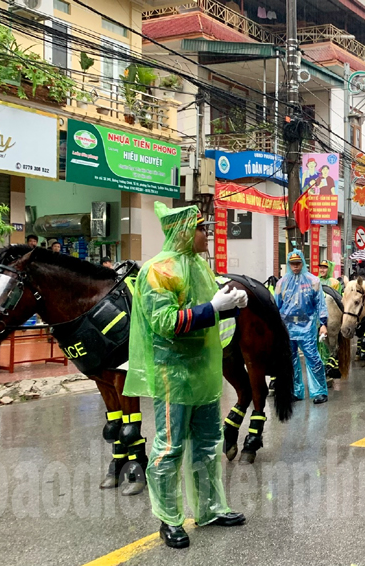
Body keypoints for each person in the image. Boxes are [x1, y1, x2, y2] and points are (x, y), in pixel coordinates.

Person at [124, 203, 248, 549]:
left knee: (209, 445)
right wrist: (213, 308)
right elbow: (165, 324)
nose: (206, 234)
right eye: (200, 228)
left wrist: (229, 302)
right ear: (183, 232)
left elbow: (209, 307)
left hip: (204, 374)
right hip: (173, 375)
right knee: (170, 448)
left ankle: (210, 508)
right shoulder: (157, 271)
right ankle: (169, 519)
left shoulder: (198, 267)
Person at [275, 250, 329, 404]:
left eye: (298, 263)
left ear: (303, 263)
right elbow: (276, 306)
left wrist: (323, 324)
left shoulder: (313, 281)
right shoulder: (281, 283)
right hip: (287, 328)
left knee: (313, 358)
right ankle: (295, 391)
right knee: (290, 360)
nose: (295, 267)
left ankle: (319, 391)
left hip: (307, 327)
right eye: (292, 264)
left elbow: (320, 304)